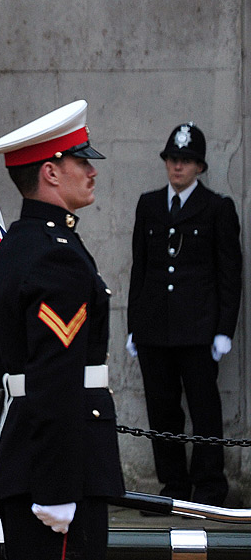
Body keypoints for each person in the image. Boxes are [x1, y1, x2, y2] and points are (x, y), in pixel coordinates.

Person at [0, 100, 123, 559]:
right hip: (61, 466)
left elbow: (0, 364)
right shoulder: (56, 255)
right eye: (82, 160)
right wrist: (57, 486)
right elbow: (54, 373)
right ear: (51, 172)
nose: (92, 171)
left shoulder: (19, 245)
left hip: (31, 452)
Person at [126, 122, 241, 505]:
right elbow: (139, 268)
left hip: (198, 330)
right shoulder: (149, 205)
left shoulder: (217, 209)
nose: (178, 167)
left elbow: (229, 274)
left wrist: (224, 329)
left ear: (200, 168)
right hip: (155, 328)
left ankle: (209, 489)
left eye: (186, 161)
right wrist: (134, 325)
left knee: (204, 411)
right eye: (173, 159)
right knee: (163, 413)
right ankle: (172, 489)